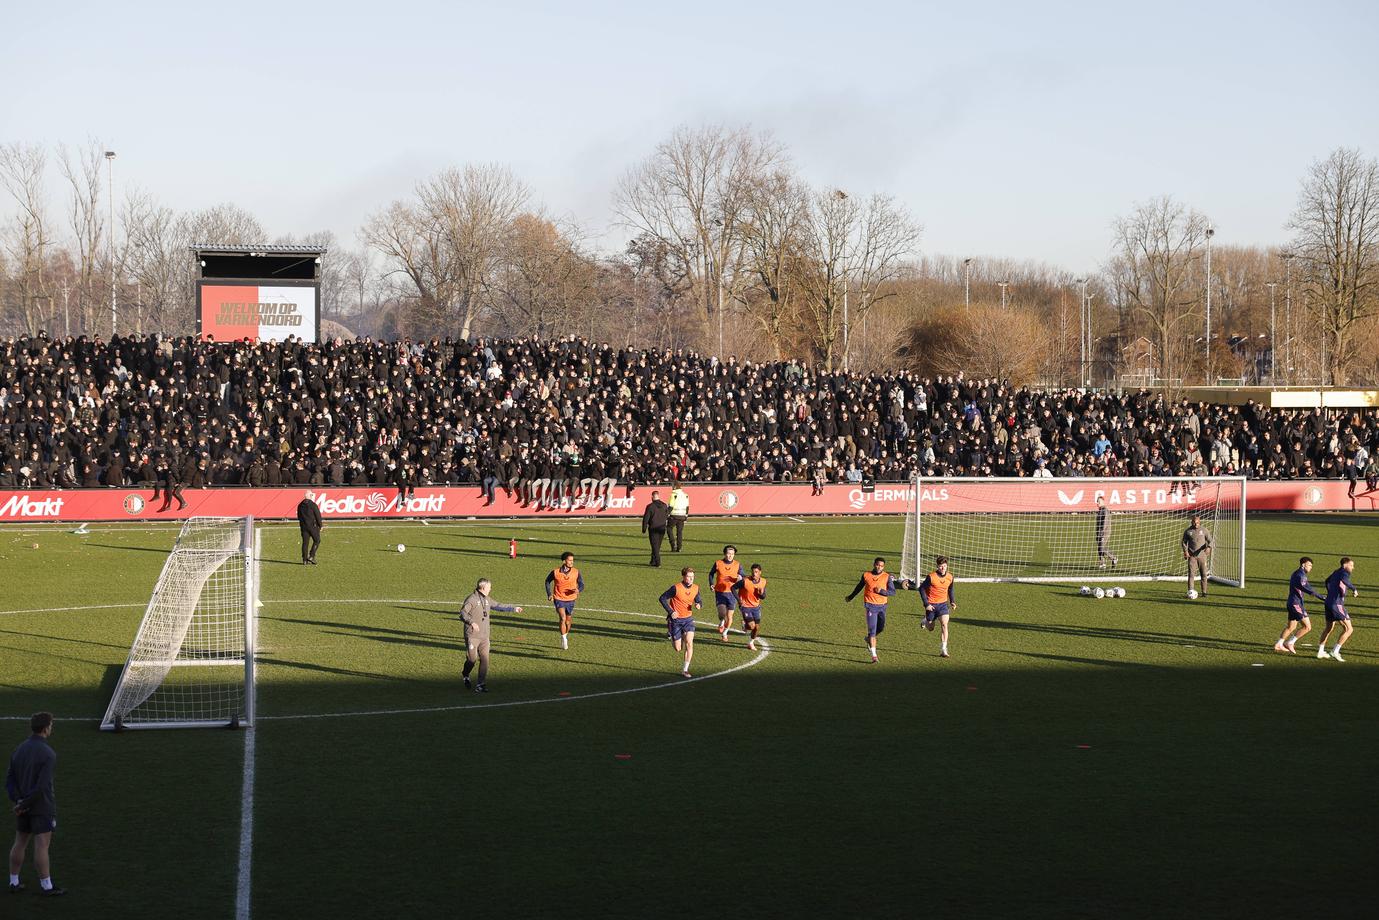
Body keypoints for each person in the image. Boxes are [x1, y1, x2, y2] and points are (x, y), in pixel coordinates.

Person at [6, 712, 63, 896]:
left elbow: (10, 780)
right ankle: (47, 886)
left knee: (19, 842)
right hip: (41, 806)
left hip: (22, 805)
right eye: (51, 725)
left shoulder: (19, 749)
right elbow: (41, 787)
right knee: (42, 845)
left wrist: (19, 802)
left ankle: (13, 881)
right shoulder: (48, 753)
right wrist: (24, 803)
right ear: (45, 729)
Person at [459, 579, 523, 692]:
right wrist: (471, 622)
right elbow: (462, 613)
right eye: (489, 587)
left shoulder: (487, 599)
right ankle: (465, 674)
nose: (490, 589)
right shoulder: (471, 599)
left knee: (485, 659)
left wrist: (513, 608)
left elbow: (498, 605)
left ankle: (480, 684)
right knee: (472, 660)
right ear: (483, 588)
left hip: (484, 636)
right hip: (473, 635)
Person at [845, 557, 896, 663]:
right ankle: (874, 655)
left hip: (882, 606)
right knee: (872, 630)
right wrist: (851, 596)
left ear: (883, 567)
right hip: (870, 606)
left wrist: (881, 591)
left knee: (880, 628)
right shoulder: (866, 575)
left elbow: (892, 592)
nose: (879, 567)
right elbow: (859, 587)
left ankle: (869, 639)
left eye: (881, 566)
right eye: (877, 565)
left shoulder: (886, 577)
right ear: (874, 564)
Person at [659, 567, 702, 678]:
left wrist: (698, 604)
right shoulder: (676, 588)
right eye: (688, 576)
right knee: (678, 648)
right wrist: (671, 612)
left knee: (689, 642)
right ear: (683, 577)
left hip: (688, 619)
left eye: (692, 577)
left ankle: (685, 670)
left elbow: (698, 599)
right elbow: (662, 598)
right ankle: (670, 629)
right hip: (676, 621)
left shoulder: (696, 588)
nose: (691, 579)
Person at [1275, 556, 1324, 654]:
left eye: (1311, 566)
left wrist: (1319, 595)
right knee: (1307, 627)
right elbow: (1304, 587)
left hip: (1292, 602)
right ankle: (1290, 642)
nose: (1310, 567)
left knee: (1291, 627)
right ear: (1303, 564)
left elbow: (1307, 586)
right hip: (1295, 604)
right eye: (1309, 565)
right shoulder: (1300, 575)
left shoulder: (1299, 574)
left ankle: (1279, 644)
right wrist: (1317, 595)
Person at [1317, 557, 1359, 662]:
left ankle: (1320, 651)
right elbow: (1344, 580)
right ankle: (1335, 651)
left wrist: (1330, 592)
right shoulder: (1345, 573)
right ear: (1345, 565)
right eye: (1351, 565)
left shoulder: (1336, 572)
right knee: (1349, 629)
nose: (1353, 568)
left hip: (1328, 602)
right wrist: (1354, 589)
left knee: (1329, 628)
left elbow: (1327, 581)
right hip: (1337, 604)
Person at [918, 556, 957, 658]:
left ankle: (944, 649)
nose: (943, 568)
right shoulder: (931, 577)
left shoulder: (950, 577)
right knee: (931, 628)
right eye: (940, 566)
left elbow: (950, 589)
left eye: (944, 566)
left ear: (947, 566)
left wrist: (952, 601)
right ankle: (925, 620)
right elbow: (921, 589)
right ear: (937, 566)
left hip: (943, 605)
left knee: (944, 624)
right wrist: (926, 604)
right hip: (931, 606)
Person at [544, 551, 584, 650]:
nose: (572, 562)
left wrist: (578, 590)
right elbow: (547, 581)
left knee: (568, 622)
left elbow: (581, 584)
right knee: (562, 618)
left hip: (571, 599)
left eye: (572, 560)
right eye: (569, 560)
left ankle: (565, 635)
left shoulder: (576, 572)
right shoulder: (555, 572)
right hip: (559, 598)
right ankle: (564, 638)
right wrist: (549, 594)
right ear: (564, 561)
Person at [708, 545, 742, 641]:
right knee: (722, 613)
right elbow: (711, 573)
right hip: (720, 592)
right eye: (728, 553)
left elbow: (742, 576)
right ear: (724, 554)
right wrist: (711, 583)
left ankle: (725, 633)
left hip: (732, 593)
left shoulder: (737, 564)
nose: (730, 556)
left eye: (732, 554)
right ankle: (722, 621)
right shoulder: (718, 563)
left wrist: (740, 577)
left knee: (730, 616)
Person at [734, 563, 767, 652]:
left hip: (756, 607)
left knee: (756, 628)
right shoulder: (745, 581)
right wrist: (739, 600)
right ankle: (745, 624)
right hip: (745, 606)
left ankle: (751, 643)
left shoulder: (763, 581)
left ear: (760, 572)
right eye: (753, 572)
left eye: (756, 572)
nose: (754, 574)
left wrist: (761, 594)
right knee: (752, 626)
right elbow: (733, 588)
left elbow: (763, 597)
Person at [1181, 513, 1213, 597]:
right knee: (1191, 574)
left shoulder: (1204, 530)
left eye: (1197, 523)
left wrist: (1209, 547)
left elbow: (1211, 541)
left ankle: (1204, 592)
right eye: (1194, 523)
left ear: (1200, 522)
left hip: (1202, 556)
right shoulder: (1188, 531)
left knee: (1204, 574)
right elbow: (1184, 542)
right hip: (1192, 556)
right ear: (1191, 522)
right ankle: (1190, 592)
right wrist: (1185, 551)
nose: (1196, 524)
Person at [641, 490, 670, 567]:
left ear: (652, 497)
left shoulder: (650, 506)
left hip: (653, 528)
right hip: (662, 528)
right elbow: (667, 515)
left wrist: (644, 528)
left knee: (655, 546)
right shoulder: (664, 505)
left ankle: (658, 562)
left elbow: (646, 518)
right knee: (657, 546)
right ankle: (653, 561)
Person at [297, 494, 323, 565]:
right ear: (310, 496)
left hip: (304, 527)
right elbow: (318, 516)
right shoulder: (313, 505)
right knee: (317, 540)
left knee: (305, 543)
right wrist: (320, 525)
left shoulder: (300, 505)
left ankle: (304, 560)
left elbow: (299, 516)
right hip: (312, 526)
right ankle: (311, 556)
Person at [1095, 495, 1117, 569]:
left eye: (1099, 501)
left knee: (1102, 547)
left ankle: (1114, 558)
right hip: (1099, 532)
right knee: (1100, 548)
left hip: (1104, 532)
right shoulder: (1100, 511)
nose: (1097, 503)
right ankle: (1102, 563)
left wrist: (1102, 533)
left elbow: (1105, 523)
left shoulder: (1105, 511)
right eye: (1097, 501)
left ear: (1103, 502)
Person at [668, 484, 690, 552]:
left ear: (675, 487)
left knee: (669, 528)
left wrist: (666, 514)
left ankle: (673, 545)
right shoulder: (685, 495)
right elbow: (687, 507)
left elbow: (671, 506)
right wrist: (686, 516)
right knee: (679, 532)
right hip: (682, 515)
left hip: (674, 515)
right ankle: (679, 547)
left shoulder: (673, 495)